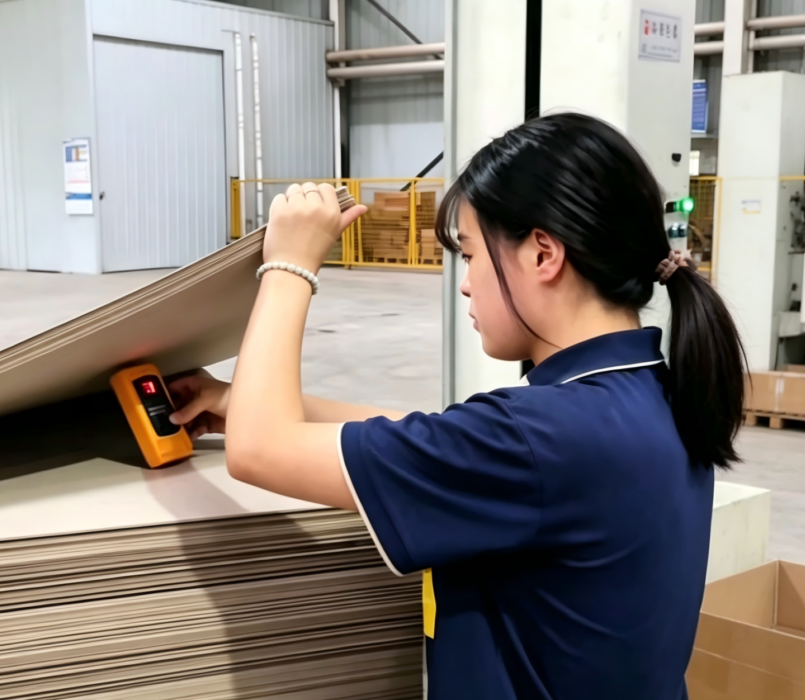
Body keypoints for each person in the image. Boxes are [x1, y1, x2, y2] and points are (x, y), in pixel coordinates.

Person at [167, 113, 746, 700]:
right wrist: (241, 401)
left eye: (469, 255)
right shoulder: (650, 392)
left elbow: (258, 450)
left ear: (542, 254)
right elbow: (437, 439)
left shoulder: (538, 437)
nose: (466, 283)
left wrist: (288, 264)